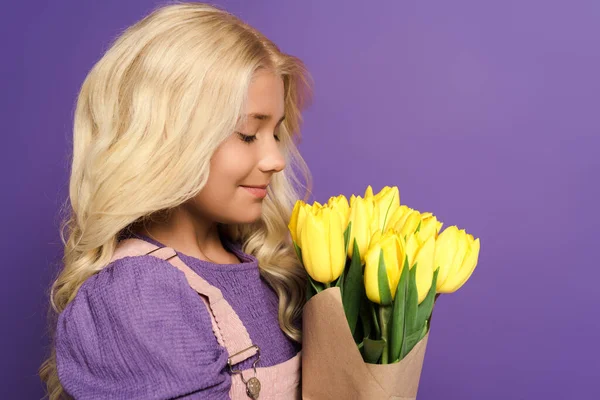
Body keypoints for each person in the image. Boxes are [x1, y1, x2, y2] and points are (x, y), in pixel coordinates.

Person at [39, 2, 313, 399]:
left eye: (276, 134)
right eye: (248, 135)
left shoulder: (263, 268)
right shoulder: (137, 294)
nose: (275, 160)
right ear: (169, 140)